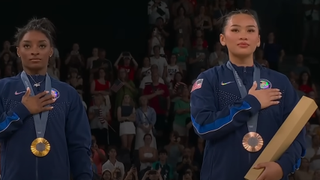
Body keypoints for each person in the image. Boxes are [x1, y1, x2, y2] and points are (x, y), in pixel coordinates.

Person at [190, 10, 306, 180]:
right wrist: (250, 104)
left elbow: (297, 134)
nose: (243, 36)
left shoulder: (280, 82)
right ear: (223, 39)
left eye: (250, 30)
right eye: (236, 30)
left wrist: (283, 166)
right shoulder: (208, 80)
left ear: (258, 40)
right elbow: (203, 126)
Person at [0, 18, 92, 179]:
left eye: (41, 45)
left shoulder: (68, 94)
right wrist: (22, 110)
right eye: (27, 46)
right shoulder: (3, 89)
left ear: (51, 51)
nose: (34, 51)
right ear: (18, 51)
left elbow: (79, 146)